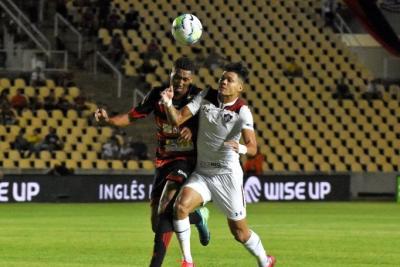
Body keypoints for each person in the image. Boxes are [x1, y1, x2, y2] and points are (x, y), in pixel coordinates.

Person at [94, 57, 211, 267]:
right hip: (163, 161)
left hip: (187, 161)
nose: (180, 82)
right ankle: (197, 217)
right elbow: (131, 117)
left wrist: (193, 130)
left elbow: (213, 127)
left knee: (167, 205)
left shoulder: (198, 97)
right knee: (157, 223)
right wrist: (108, 120)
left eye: (185, 79)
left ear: (191, 79)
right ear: (171, 75)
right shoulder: (157, 94)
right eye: (177, 77)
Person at [160, 62, 276, 267]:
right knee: (180, 207)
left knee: (240, 233)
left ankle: (265, 260)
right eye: (222, 78)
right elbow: (177, 120)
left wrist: (240, 148)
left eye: (229, 80)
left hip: (227, 176)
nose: (223, 82)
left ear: (240, 87)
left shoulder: (242, 111)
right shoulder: (205, 96)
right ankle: (187, 261)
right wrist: (169, 104)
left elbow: (253, 148)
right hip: (203, 172)